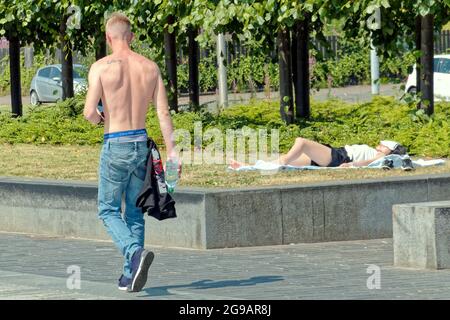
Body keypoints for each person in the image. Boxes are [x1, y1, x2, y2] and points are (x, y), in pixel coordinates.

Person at [83, 12, 178, 292]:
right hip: (141, 142)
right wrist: (172, 152)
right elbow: (162, 112)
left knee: (108, 209)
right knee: (135, 213)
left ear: (107, 37)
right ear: (132, 37)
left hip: (115, 142)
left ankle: (134, 253)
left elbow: (89, 112)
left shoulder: (100, 67)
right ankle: (130, 275)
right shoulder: (150, 67)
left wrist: (100, 117)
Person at [230, 138, 407, 169]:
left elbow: (368, 163)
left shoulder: (384, 157)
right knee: (289, 160)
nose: (379, 146)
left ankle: (281, 161)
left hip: (339, 157)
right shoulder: (380, 153)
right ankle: (249, 166)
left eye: (382, 145)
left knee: (301, 142)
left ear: (390, 151)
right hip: (336, 155)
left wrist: (351, 165)